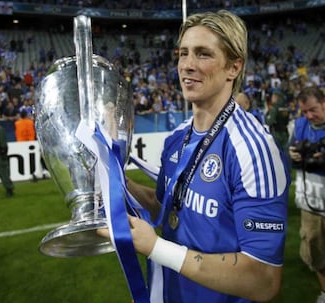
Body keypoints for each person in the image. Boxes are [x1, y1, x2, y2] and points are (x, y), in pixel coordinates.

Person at [98, 10, 290, 303]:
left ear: (233, 67)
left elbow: (263, 280)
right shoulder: (177, 138)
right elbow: (167, 209)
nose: (187, 65)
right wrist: (114, 179)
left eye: (203, 54)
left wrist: (156, 248)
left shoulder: (251, 148)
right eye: (183, 53)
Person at [288, 86, 325, 303]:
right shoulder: (299, 125)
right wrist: (292, 154)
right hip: (310, 203)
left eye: (313, 110)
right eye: (304, 111)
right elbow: (288, 152)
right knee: (316, 253)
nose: (309, 116)